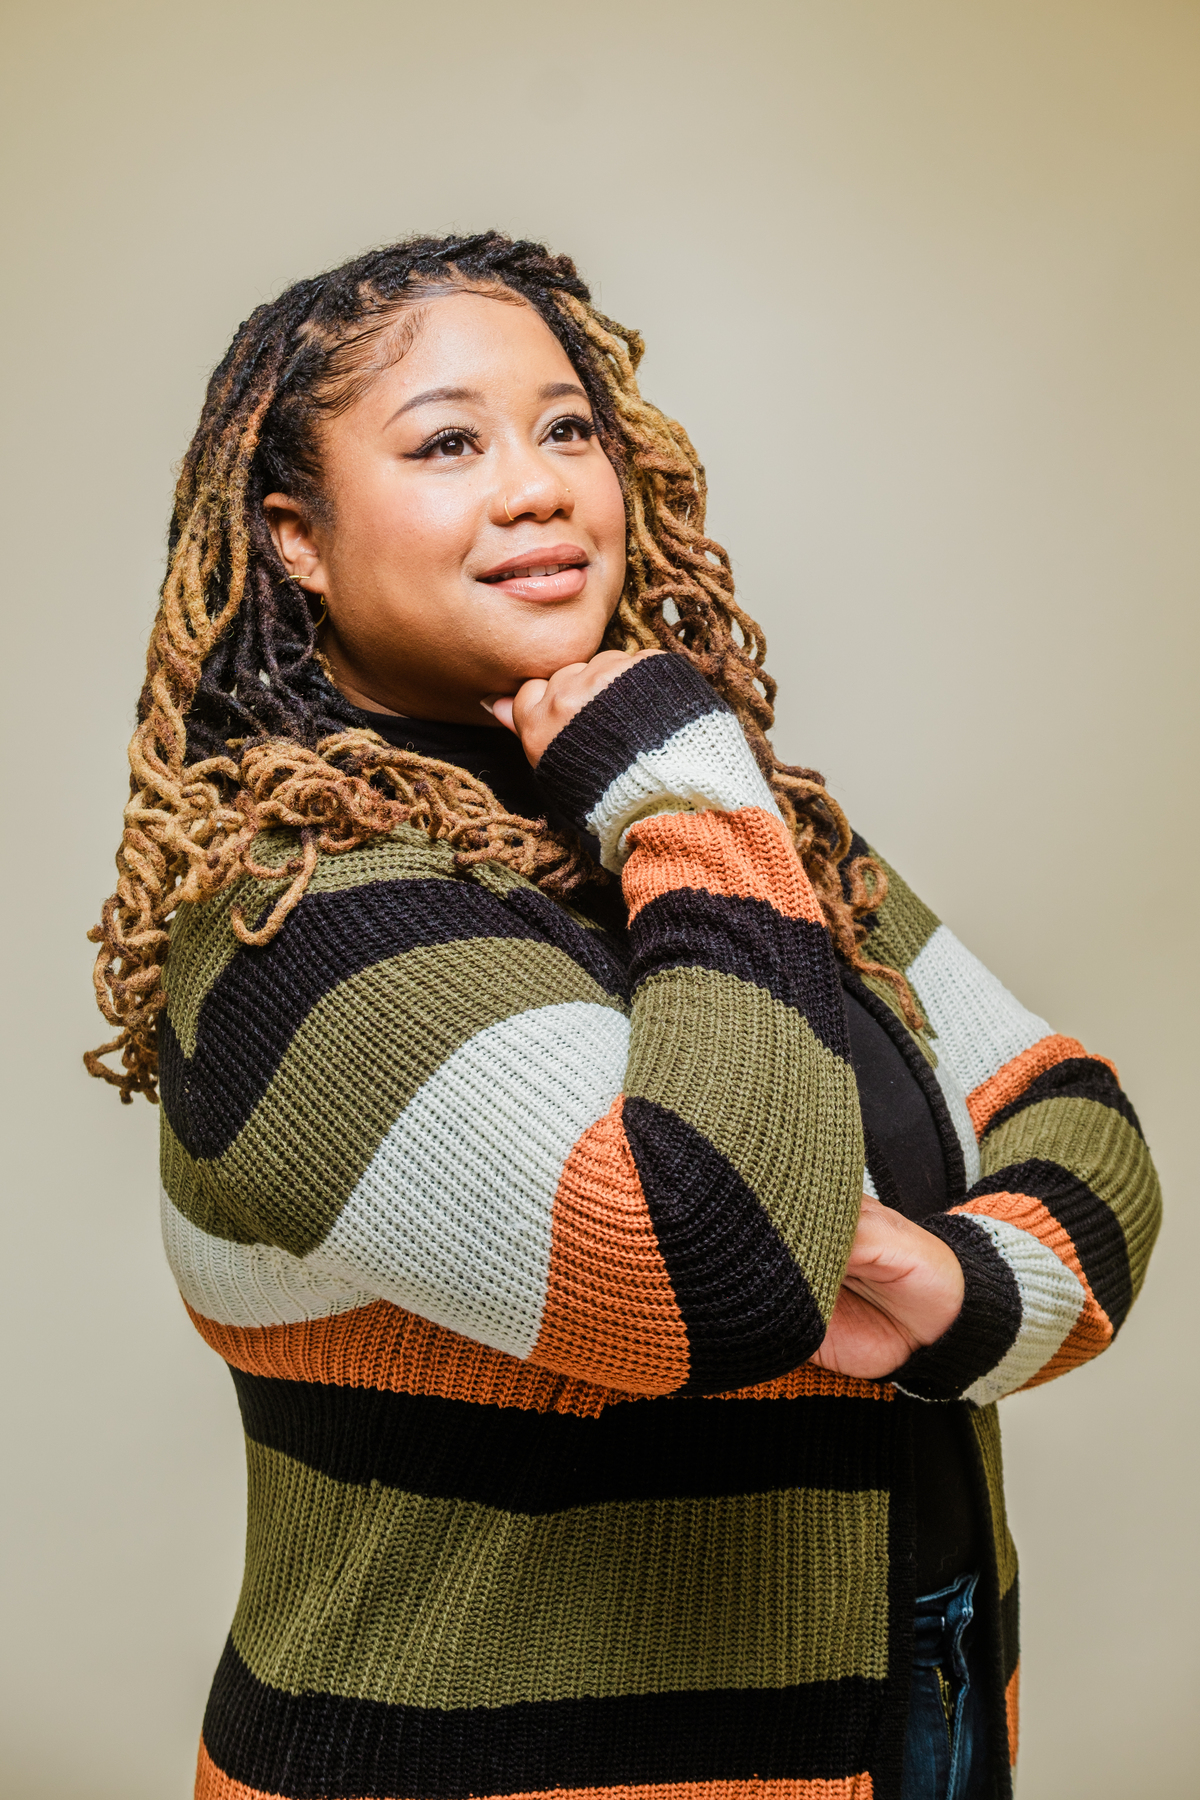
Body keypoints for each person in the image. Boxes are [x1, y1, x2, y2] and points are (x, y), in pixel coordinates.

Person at [87, 233, 1161, 1800]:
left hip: (907, 1703)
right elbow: (707, 1269)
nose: (536, 487)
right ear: (296, 538)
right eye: (448, 441)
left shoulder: (720, 830)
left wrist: (949, 1290)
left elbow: (1079, 1119)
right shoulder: (301, 914)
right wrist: (688, 780)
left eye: (566, 426)